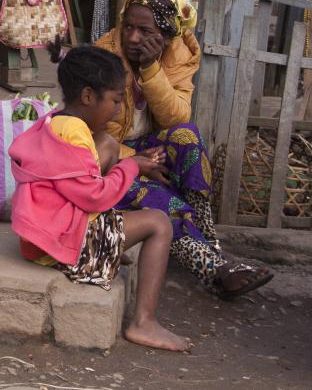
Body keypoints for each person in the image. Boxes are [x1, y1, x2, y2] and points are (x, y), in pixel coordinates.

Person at [10, 43, 190, 352]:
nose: (119, 109)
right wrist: (132, 167)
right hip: (65, 247)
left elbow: (86, 171)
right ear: (88, 96)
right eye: (116, 100)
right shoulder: (76, 134)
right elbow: (94, 197)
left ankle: (110, 243)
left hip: (43, 235)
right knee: (159, 223)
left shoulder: (55, 121)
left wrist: (130, 162)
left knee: (107, 144)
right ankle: (143, 322)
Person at [96, 0, 273, 299]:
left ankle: (208, 244)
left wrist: (151, 69)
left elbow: (176, 119)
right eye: (129, 27)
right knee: (149, 193)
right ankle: (213, 269)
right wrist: (136, 163)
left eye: (145, 31)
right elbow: (93, 131)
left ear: (166, 36)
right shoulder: (104, 55)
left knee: (188, 136)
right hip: (111, 153)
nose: (134, 38)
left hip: (152, 143)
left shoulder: (180, 53)